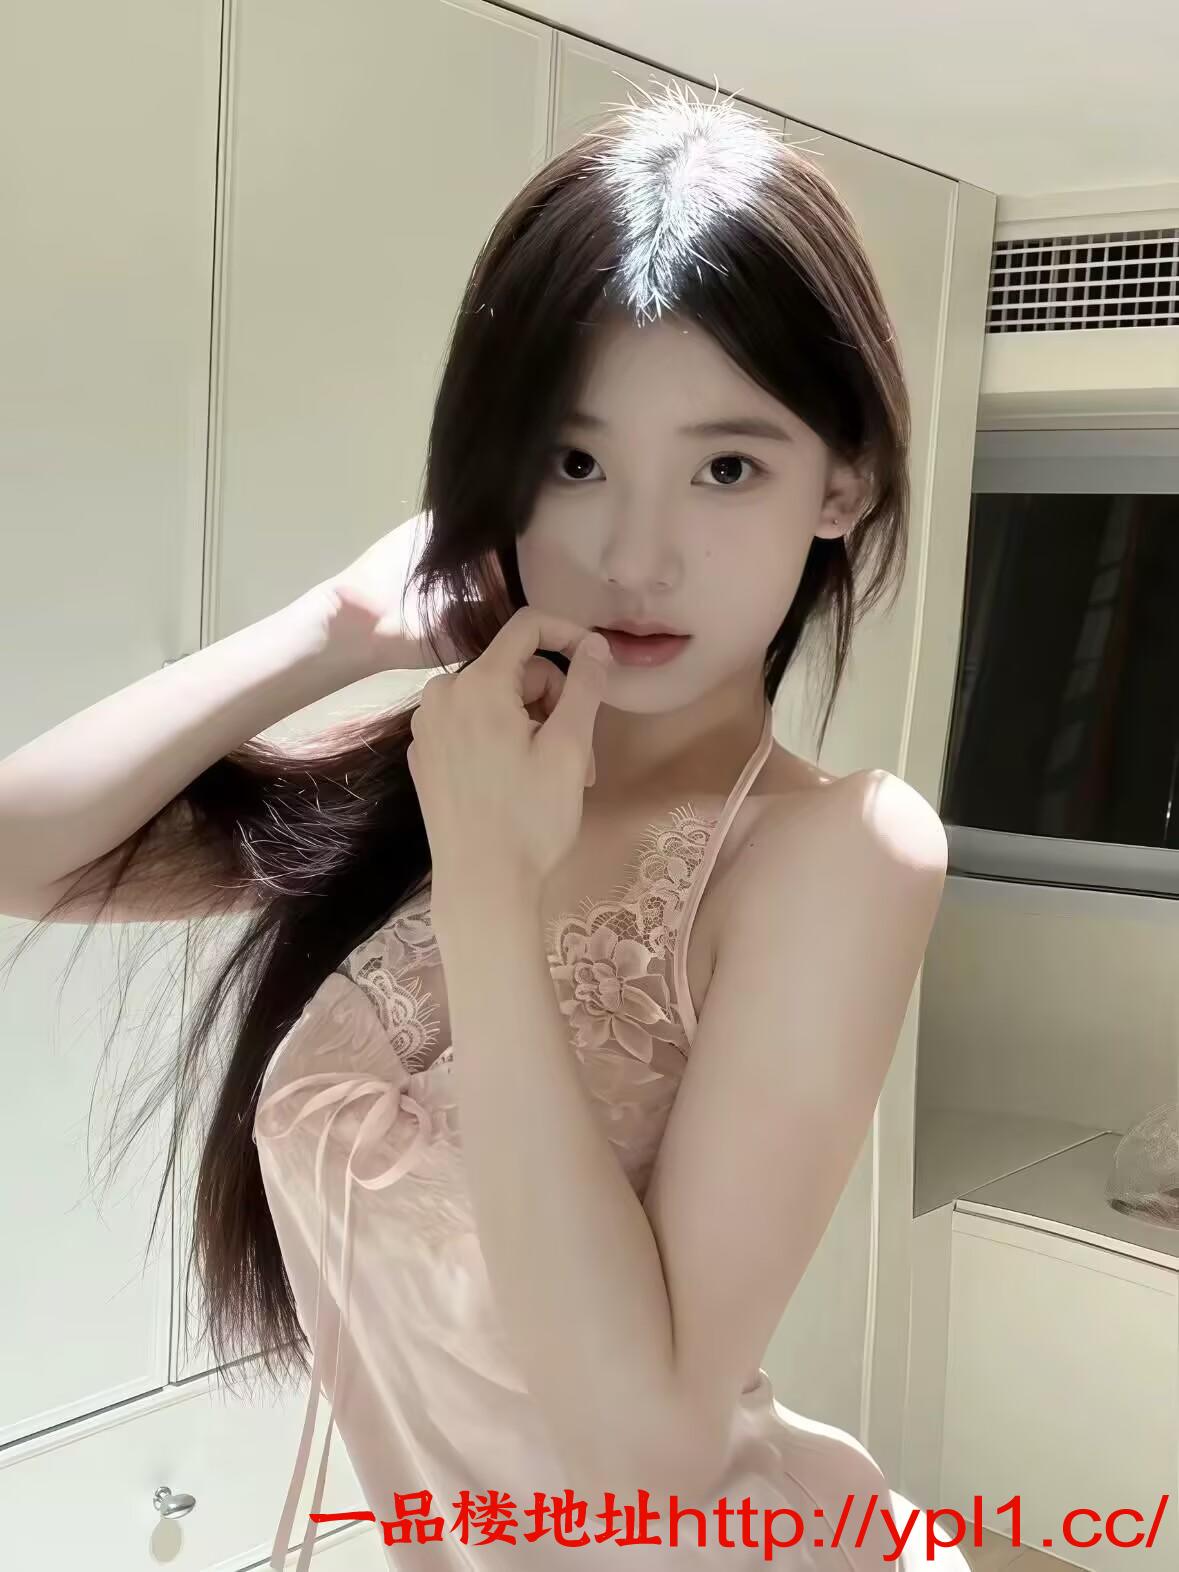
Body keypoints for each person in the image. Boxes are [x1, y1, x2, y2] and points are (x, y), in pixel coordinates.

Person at [0, 82, 968, 1569]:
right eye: (574, 462)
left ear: (839, 485)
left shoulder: (835, 851)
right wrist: (334, 628)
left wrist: (493, 891)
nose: (636, 554)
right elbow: (24, 854)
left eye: (727, 468)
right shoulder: (443, 774)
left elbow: (645, 1457)